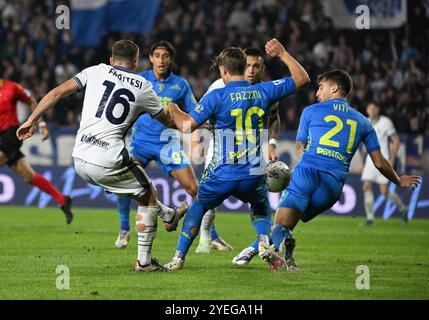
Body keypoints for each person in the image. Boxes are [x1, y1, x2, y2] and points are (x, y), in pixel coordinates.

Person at [17, 40, 188, 272]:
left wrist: (31, 120)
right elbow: (168, 122)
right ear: (136, 62)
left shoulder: (95, 71)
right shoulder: (144, 85)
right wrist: (174, 110)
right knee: (149, 194)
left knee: (138, 190)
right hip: (108, 159)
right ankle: (144, 262)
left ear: (111, 60)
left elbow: (57, 92)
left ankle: (168, 213)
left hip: (80, 159)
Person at [164, 38, 310, 271]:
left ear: (223, 70)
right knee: (261, 207)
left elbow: (185, 126)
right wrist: (282, 53)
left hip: (222, 172)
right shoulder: (264, 90)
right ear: (245, 67)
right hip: (253, 172)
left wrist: (173, 108)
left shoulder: (217, 96)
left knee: (199, 206)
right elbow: (303, 79)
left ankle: (178, 258)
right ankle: (263, 241)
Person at [270, 70, 421, 271]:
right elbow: (379, 162)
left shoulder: (311, 111)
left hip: (307, 172)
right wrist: (398, 180)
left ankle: (283, 244)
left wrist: (303, 154)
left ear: (334, 88)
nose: (317, 93)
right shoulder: (363, 122)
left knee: (280, 226)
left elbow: (300, 145)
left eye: (321, 87)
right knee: (297, 219)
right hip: (333, 186)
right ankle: (287, 260)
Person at [114, 41, 228, 250]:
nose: (161, 60)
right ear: (150, 58)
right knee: (124, 183)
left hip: (168, 144)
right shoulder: (140, 80)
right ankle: (124, 229)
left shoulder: (180, 84)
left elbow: (194, 111)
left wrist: (211, 123)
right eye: (157, 55)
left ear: (170, 59)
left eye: (165, 56)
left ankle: (211, 235)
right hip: (140, 143)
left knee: (195, 189)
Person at [0, 78, 73, 224]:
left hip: (11, 134)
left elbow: (31, 101)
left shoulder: (12, 87)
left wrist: (41, 124)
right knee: (28, 176)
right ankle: (62, 199)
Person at [361, 102, 408, 225]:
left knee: (384, 191)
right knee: (366, 186)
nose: (371, 110)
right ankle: (370, 218)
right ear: (367, 110)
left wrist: (392, 158)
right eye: (369, 108)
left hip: (383, 158)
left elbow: (396, 140)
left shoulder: (386, 122)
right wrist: (362, 160)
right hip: (370, 160)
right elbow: (361, 143)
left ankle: (403, 208)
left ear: (378, 109)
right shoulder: (365, 121)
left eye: (374, 108)